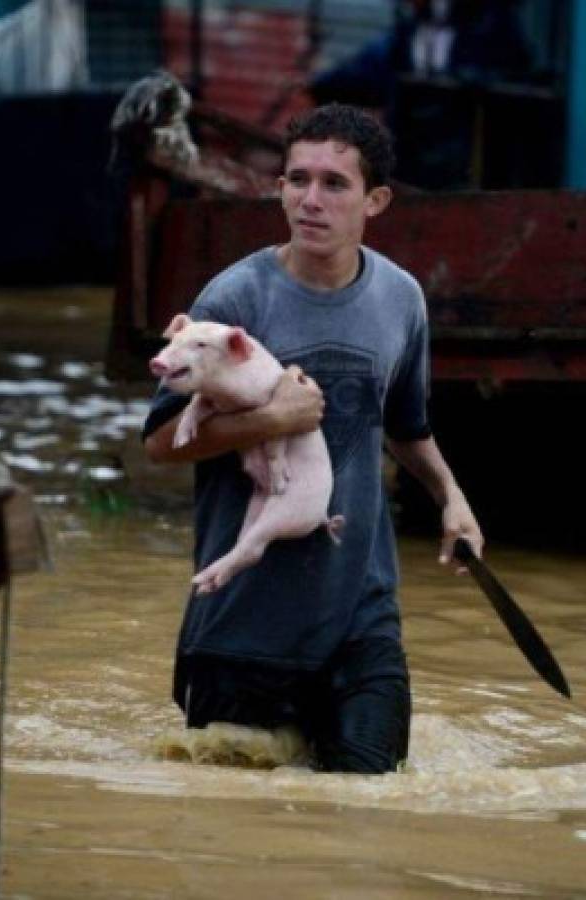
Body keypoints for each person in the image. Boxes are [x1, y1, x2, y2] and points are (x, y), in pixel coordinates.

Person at [142, 103, 483, 774]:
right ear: (278, 190)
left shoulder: (401, 299)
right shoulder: (233, 299)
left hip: (360, 607)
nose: (310, 200)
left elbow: (407, 427)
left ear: (375, 200)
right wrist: (272, 420)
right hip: (243, 617)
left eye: (333, 184)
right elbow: (158, 442)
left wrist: (451, 498)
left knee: (368, 805)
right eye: (296, 180)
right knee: (233, 835)